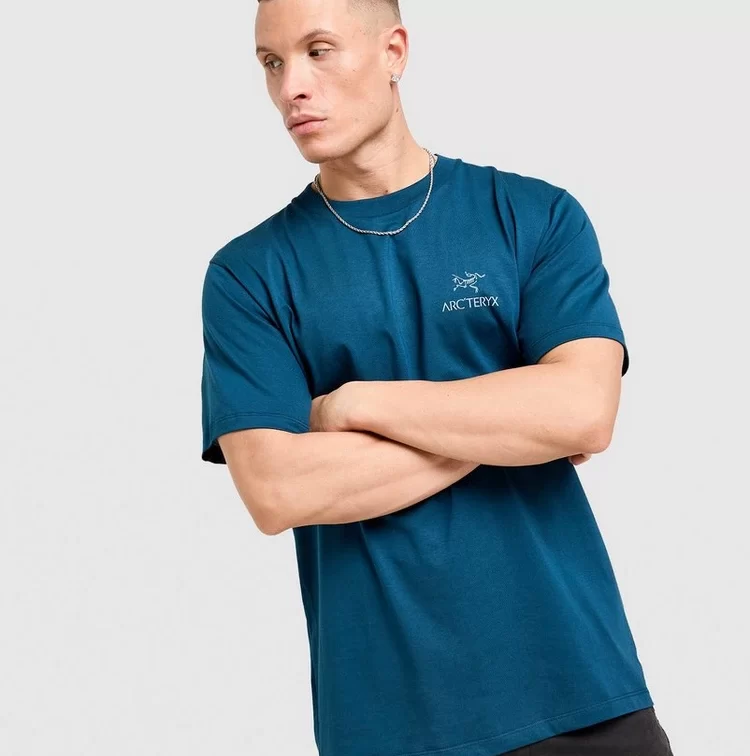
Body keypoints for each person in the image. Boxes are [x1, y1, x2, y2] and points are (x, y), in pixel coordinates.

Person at [200, 1, 674, 754]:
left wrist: (356, 404)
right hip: (391, 721)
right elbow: (280, 489)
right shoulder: (248, 275)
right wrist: (511, 422)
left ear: (393, 51)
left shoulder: (534, 216)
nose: (292, 86)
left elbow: (584, 411)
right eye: (272, 62)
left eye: (319, 50)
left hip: (580, 696)